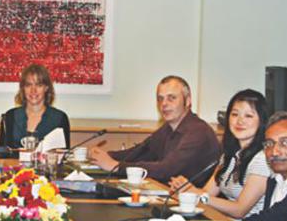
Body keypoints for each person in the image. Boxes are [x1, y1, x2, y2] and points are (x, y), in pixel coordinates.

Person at [89, 75, 220, 186]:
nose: (164, 104)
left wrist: (116, 166)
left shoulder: (198, 132)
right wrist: (105, 156)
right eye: (160, 99)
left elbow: (167, 169)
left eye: (171, 98)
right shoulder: (169, 128)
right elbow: (140, 152)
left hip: (196, 204)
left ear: (188, 101)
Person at [169, 89, 270, 219]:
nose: (240, 121)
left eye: (248, 116)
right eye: (235, 114)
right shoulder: (231, 155)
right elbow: (207, 193)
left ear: (262, 121)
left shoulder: (262, 159)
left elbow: (239, 210)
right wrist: (187, 189)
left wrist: (198, 194)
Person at [0, 63, 71, 149]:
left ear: (46, 88)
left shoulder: (59, 119)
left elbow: (64, 154)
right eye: (28, 85)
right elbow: (2, 153)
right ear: (23, 88)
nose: (33, 90)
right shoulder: (10, 117)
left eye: (39, 85)